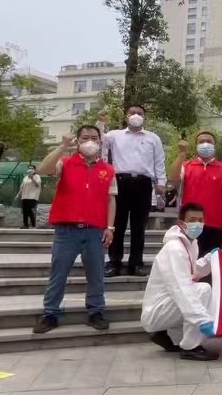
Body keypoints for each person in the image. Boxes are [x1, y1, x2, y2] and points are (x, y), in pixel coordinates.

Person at [32, 126, 117, 334]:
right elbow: (43, 169)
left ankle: (95, 312)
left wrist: (110, 227)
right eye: (85, 138)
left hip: (94, 231)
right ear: (78, 141)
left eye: (94, 138)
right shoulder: (65, 163)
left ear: (100, 142)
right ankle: (50, 313)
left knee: (96, 275)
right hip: (66, 230)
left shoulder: (108, 170)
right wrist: (62, 146)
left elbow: (111, 200)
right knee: (58, 273)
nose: (90, 141)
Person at [141, 203, 219, 361]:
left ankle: (168, 335)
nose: (197, 224)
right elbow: (181, 288)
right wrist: (202, 319)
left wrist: (208, 261)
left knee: (196, 292)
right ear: (181, 223)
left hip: (165, 306)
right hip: (157, 310)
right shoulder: (174, 249)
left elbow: (191, 273)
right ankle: (191, 347)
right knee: (202, 290)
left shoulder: (191, 244)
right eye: (192, 220)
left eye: (200, 220)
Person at [98, 105, 166, 277]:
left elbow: (159, 161)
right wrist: (101, 122)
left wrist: (161, 182)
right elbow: (99, 140)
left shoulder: (153, 138)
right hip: (120, 181)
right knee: (117, 224)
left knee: (139, 226)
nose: (136, 115)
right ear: (126, 116)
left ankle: (136, 263)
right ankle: (114, 262)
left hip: (144, 183)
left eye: (140, 113)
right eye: (132, 113)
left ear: (145, 117)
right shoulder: (115, 135)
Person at [168, 132, 222, 257]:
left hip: (215, 224)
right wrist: (181, 155)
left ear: (214, 145)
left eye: (209, 141)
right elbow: (173, 180)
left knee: (210, 261)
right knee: (189, 259)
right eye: (201, 142)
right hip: (190, 224)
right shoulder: (187, 166)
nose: (205, 144)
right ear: (196, 146)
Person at [15, 164, 41, 229]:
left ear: (34, 169)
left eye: (32, 168)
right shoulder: (25, 177)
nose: (30, 169)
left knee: (29, 210)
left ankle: (33, 224)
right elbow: (22, 187)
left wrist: (32, 178)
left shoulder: (37, 176)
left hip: (33, 196)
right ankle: (25, 225)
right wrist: (18, 194)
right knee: (24, 211)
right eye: (29, 168)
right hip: (24, 196)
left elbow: (37, 185)